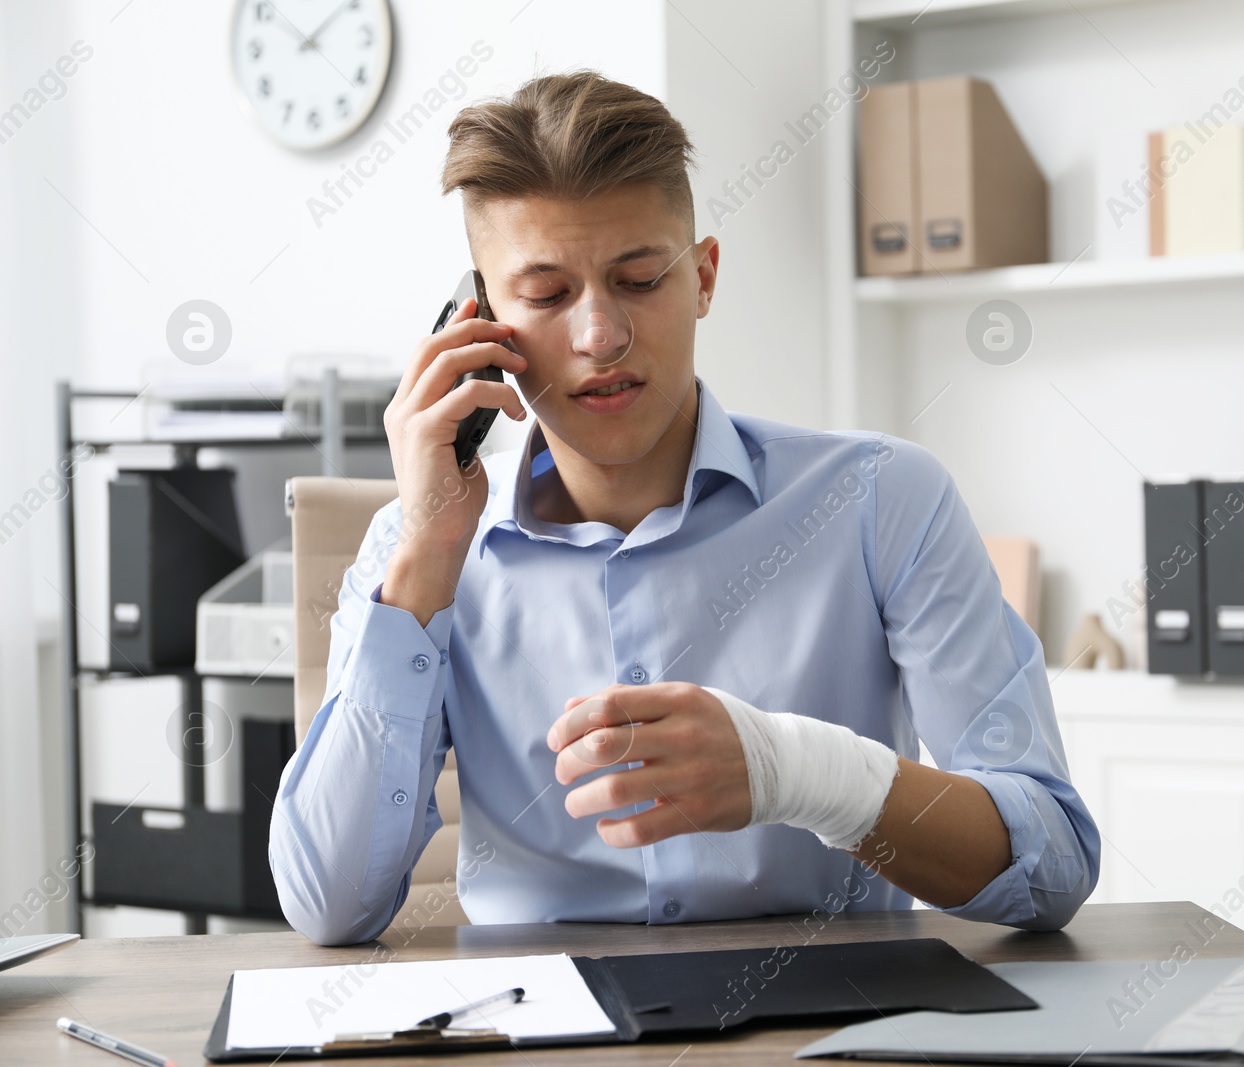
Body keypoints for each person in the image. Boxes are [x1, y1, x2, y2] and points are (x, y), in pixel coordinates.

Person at [269, 70, 1100, 947]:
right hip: (544, 1034)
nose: (600, 336)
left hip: (828, 1023)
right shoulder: (416, 550)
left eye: (638, 279)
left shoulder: (882, 499)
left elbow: (1050, 866)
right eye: (548, 296)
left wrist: (798, 772)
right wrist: (424, 559)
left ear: (702, 277)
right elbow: (328, 906)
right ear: (479, 320)